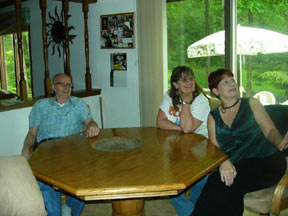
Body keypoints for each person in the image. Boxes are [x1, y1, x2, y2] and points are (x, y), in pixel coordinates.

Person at [191, 68, 288, 216]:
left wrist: (280, 142)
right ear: (216, 91)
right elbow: (214, 148)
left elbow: (269, 130)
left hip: (266, 161)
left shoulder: (251, 103)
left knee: (220, 182)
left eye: (232, 80)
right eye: (225, 82)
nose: (232, 84)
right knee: (227, 186)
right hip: (235, 164)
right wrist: (224, 162)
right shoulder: (213, 116)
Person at [21, 73, 100, 216]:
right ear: (53, 87)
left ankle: (69, 209)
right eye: (62, 84)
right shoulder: (41, 105)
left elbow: (90, 122)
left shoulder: (78, 103)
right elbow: (32, 133)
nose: (66, 87)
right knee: (47, 182)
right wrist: (26, 149)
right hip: (47, 149)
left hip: (73, 148)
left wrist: (93, 125)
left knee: (87, 179)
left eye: (69, 84)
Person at [157, 66, 210, 216]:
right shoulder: (169, 95)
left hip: (200, 148)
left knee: (197, 182)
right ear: (175, 84)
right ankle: (191, 212)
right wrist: (181, 128)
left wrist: (186, 102)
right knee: (169, 182)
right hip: (176, 145)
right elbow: (160, 122)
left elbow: (188, 129)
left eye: (191, 78)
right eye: (184, 79)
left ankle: (193, 210)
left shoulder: (200, 100)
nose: (189, 82)